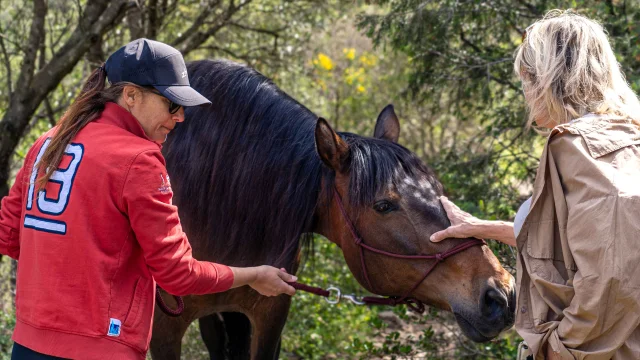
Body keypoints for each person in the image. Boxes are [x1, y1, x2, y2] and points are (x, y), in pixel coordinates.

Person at [0, 38, 297, 360]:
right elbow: (179, 275)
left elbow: (9, 237)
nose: (180, 116)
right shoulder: (138, 159)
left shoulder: (48, 142)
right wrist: (255, 276)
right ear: (131, 95)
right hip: (101, 347)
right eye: (171, 104)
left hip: (28, 343)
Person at [430, 10, 640, 360]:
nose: (525, 92)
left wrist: (559, 348)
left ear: (550, 78)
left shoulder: (578, 147)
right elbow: (581, 243)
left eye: (526, 79)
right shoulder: (627, 134)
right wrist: (482, 228)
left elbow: (615, 276)